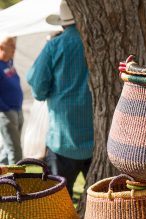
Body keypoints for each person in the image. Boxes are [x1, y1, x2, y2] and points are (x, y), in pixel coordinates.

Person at [27, 0, 94, 197]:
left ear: (63, 23)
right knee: (101, 203)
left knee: (58, 201)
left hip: (63, 139)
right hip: (97, 139)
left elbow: (37, 89)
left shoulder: (54, 46)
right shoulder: (99, 44)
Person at [0, 36, 23, 165]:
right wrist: (4, 108)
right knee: (15, 150)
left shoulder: (9, 62)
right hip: (7, 112)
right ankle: (17, 181)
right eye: (11, 46)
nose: (14, 49)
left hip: (17, 109)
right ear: (1, 47)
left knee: (6, 150)